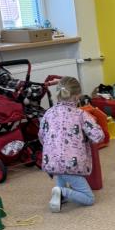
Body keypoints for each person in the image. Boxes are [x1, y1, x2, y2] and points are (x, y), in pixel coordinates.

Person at [40, 76, 105, 211]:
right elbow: (98, 136)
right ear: (77, 96)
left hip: (51, 161)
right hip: (71, 164)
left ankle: (60, 194)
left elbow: (41, 136)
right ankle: (62, 192)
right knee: (89, 198)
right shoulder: (80, 114)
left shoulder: (48, 113)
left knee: (61, 171)